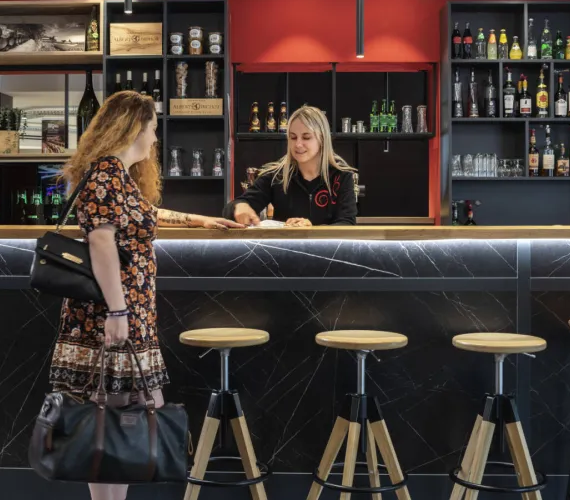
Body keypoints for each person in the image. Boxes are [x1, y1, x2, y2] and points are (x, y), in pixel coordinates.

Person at [50, 91, 242, 500]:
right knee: (110, 417)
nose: (155, 138)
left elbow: (144, 214)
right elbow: (101, 242)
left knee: (119, 415)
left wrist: (199, 220)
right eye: (153, 128)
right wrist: (118, 311)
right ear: (133, 127)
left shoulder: (116, 174)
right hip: (111, 311)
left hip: (129, 311)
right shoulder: (105, 174)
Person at [224, 105, 357, 227]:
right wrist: (239, 207)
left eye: (306, 137)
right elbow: (229, 210)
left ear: (322, 139)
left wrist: (312, 229)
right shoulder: (276, 176)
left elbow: (347, 223)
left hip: (327, 247)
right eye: (293, 137)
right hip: (284, 246)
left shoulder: (341, 176)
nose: (298, 144)